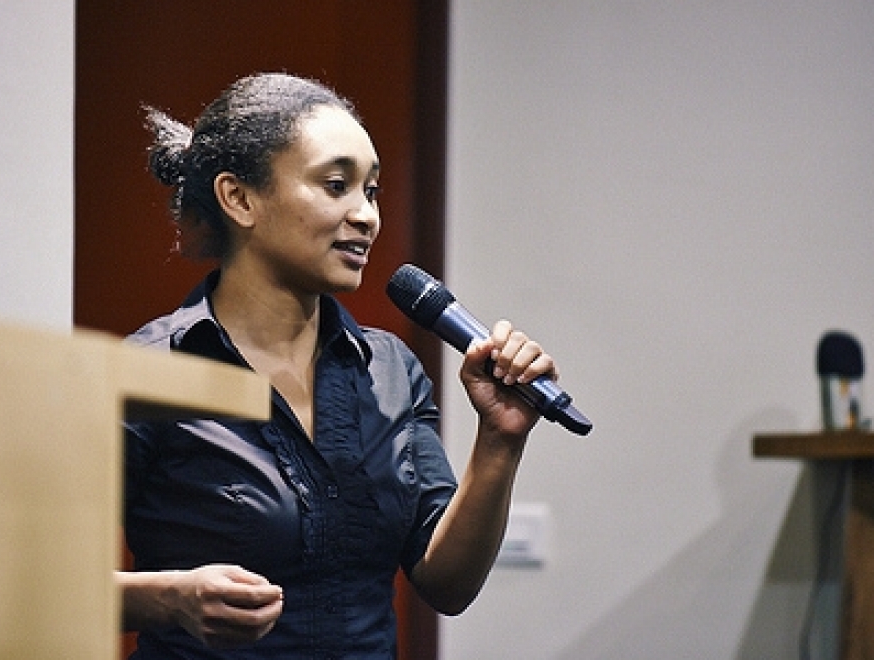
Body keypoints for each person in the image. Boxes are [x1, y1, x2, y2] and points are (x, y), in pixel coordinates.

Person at [118, 72, 558, 659]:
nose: (366, 215)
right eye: (336, 185)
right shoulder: (147, 371)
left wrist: (500, 441)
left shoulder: (390, 369)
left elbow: (447, 585)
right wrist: (168, 598)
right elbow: (36, 581)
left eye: (370, 191)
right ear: (239, 199)